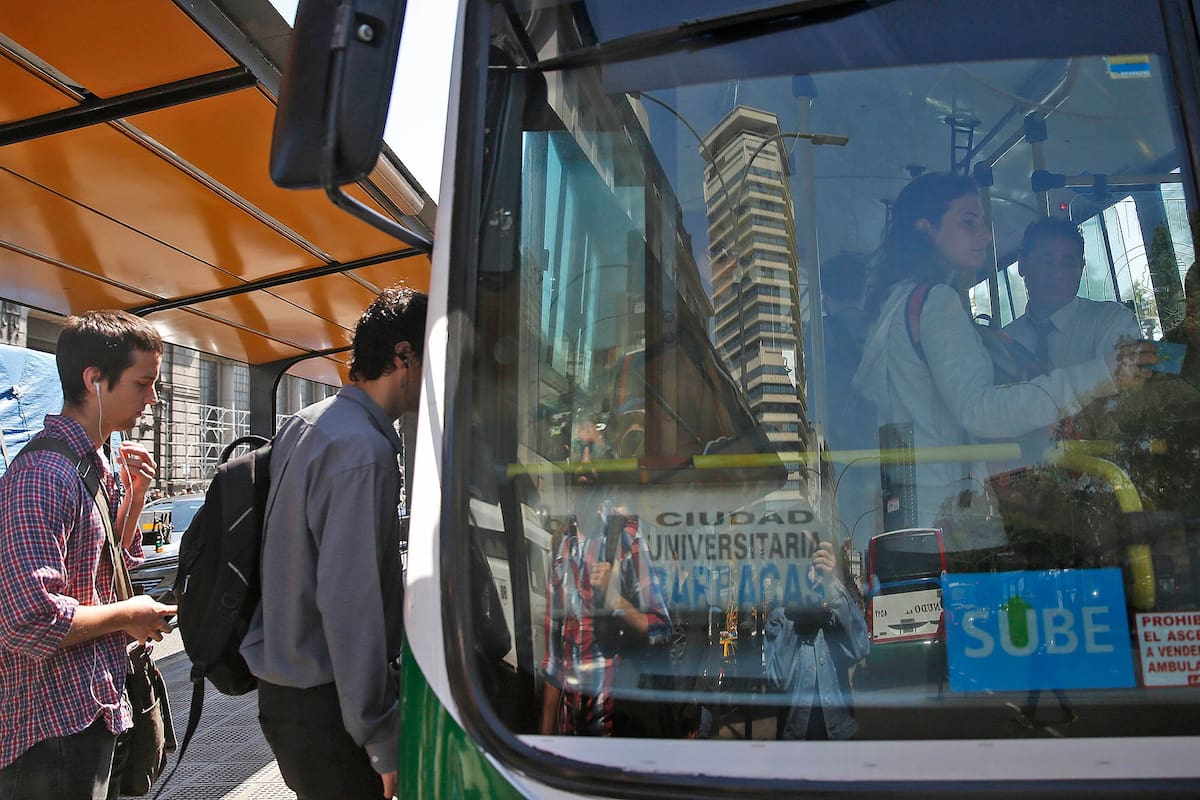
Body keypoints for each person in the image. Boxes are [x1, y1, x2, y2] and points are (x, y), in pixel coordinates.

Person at [852, 172, 1153, 556]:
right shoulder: (937, 302)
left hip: (914, 510)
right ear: (926, 229)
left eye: (983, 222)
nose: (985, 235)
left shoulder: (895, 304)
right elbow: (980, 411)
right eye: (968, 222)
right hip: (950, 515)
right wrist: (1102, 374)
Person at [240, 286, 426, 800]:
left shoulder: (308, 423)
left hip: (285, 692)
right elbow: (351, 600)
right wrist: (380, 732)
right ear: (404, 356)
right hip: (331, 709)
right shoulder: (363, 450)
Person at [0, 310, 174, 800]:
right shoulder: (44, 476)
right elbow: (28, 618)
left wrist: (135, 499)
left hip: (88, 711)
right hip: (48, 731)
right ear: (94, 380)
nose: (153, 399)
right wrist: (128, 615)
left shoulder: (89, 467)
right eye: (143, 383)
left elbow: (100, 570)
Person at [540, 499, 672, 736]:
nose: (586, 463)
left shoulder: (626, 537)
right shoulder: (560, 544)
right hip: (571, 732)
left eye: (596, 458)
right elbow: (553, 659)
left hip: (618, 727)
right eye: (581, 458)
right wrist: (544, 741)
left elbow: (661, 628)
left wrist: (615, 601)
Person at [764, 537, 868, 740]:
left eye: (816, 559)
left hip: (839, 735)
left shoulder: (833, 614)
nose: (810, 572)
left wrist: (831, 585)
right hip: (796, 740)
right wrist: (795, 614)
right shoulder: (780, 618)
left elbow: (860, 648)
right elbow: (776, 680)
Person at [1006, 217, 1139, 370]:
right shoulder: (1005, 343)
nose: (1057, 274)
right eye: (1046, 262)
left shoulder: (1111, 321)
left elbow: (1126, 384)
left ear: (1081, 268)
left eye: (1067, 263)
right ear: (1022, 265)